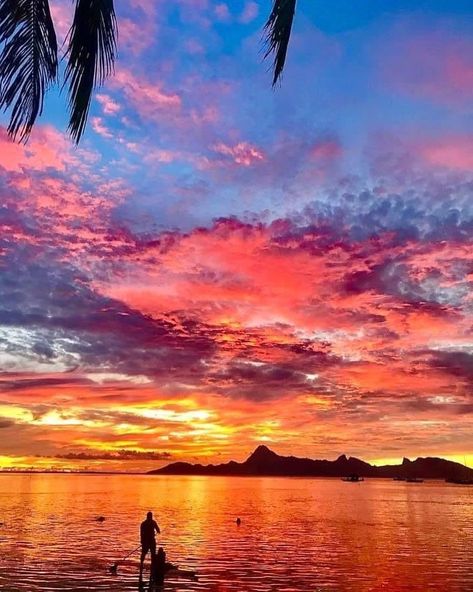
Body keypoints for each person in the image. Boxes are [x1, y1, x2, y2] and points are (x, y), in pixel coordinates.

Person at [139, 512, 160, 582]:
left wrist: (142, 541)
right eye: (150, 516)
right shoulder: (150, 523)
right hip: (148, 541)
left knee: (148, 554)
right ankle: (149, 566)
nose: (150, 517)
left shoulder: (143, 523)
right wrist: (158, 531)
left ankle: (143, 565)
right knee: (149, 554)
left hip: (147, 541)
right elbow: (158, 530)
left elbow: (141, 534)